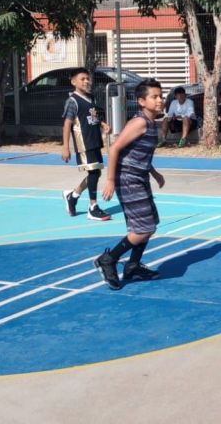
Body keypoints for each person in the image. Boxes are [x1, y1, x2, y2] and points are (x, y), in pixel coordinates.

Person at [94, 79, 167, 290]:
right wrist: (109, 180)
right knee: (144, 228)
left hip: (140, 176)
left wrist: (153, 172)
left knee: (149, 224)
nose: (159, 100)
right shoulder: (140, 122)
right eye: (154, 97)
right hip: (128, 179)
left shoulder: (151, 122)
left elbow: (138, 152)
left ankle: (133, 266)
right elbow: (115, 148)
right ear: (142, 101)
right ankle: (108, 259)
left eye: (160, 96)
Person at [61, 68, 112, 221]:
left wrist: (103, 124)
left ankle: (73, 196)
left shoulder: (90, 97)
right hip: (84, 143)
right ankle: (93, 207)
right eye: (82, 79)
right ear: (73, 82)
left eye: (87, 78)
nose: (86, 81)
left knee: (95, 172)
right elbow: (67, 124)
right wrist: (65, 147)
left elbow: (93, 114)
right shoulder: (72, 101)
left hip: (95, 140)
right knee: (94, 173)